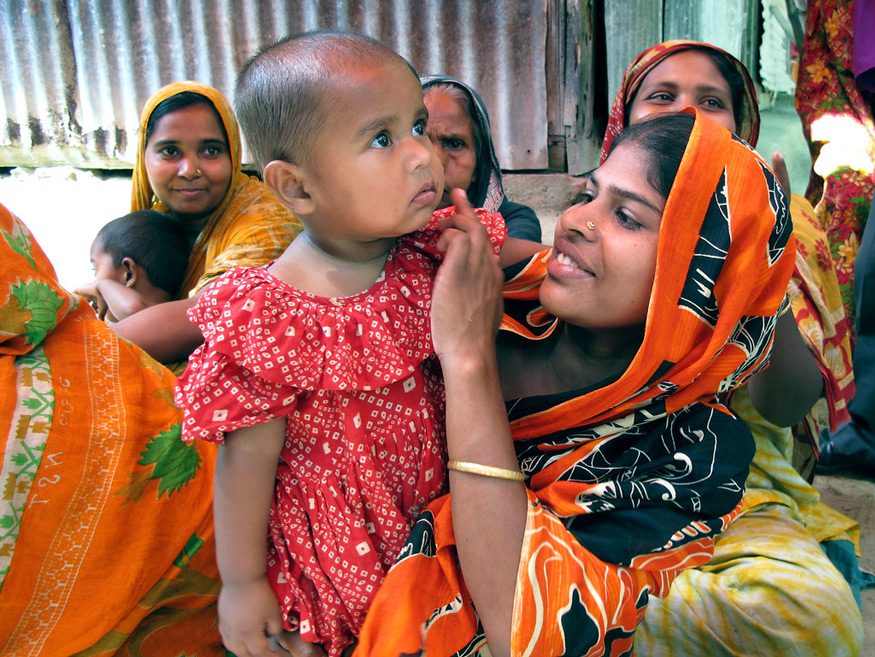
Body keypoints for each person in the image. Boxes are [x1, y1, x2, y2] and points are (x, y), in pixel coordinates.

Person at [354, 110, 795, 656]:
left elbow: (528, 619)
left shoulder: (689, 455)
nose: (576, 221)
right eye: (588, 194)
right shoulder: (509, 286)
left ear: (705, 280)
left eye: (627, 218)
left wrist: (468, 365)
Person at [175, 31, 538, 657]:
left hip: (442, 514)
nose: (423, 155)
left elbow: (525, 259)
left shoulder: (429, 245)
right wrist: (241, 584)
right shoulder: (273, 317)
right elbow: (247, 464)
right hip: (340, 551)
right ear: (297, 188)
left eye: (418, 126)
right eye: (382, 139)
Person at [599, 40, 864, 656]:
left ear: (741, 126)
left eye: (709, 101)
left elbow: (783, 405)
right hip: (593, 471)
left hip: (734, 483)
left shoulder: (785, 223)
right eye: (661, 96)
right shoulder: (600, 211)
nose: (685, 111)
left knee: (811, 617)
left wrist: (762, 261)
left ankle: (579, 608)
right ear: (624, 119)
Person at [0, 202, 224, 656]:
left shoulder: (139, 303)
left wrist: (98, 290)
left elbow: (132, 310)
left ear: (126, 270)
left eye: (95, 264)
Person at [112, 81, 304, 363]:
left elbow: (209, 313)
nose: (190, 170)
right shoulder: (155, 220)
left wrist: (91, 339)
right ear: (143, 157)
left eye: (210, 151)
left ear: (233, 154)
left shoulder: (268, 224)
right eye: (170, 151)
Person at [421, 74, 543, 241]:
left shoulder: (513, 223)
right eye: (420, 140)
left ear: (478, 165)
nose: (437, 163)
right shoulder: (378, 229)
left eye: (455, 144)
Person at [76, 210, 189, 322]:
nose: (94, 281)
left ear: (128, 273)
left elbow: (133, 310)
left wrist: (101, 286)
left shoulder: (157, 321)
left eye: (95, 269)